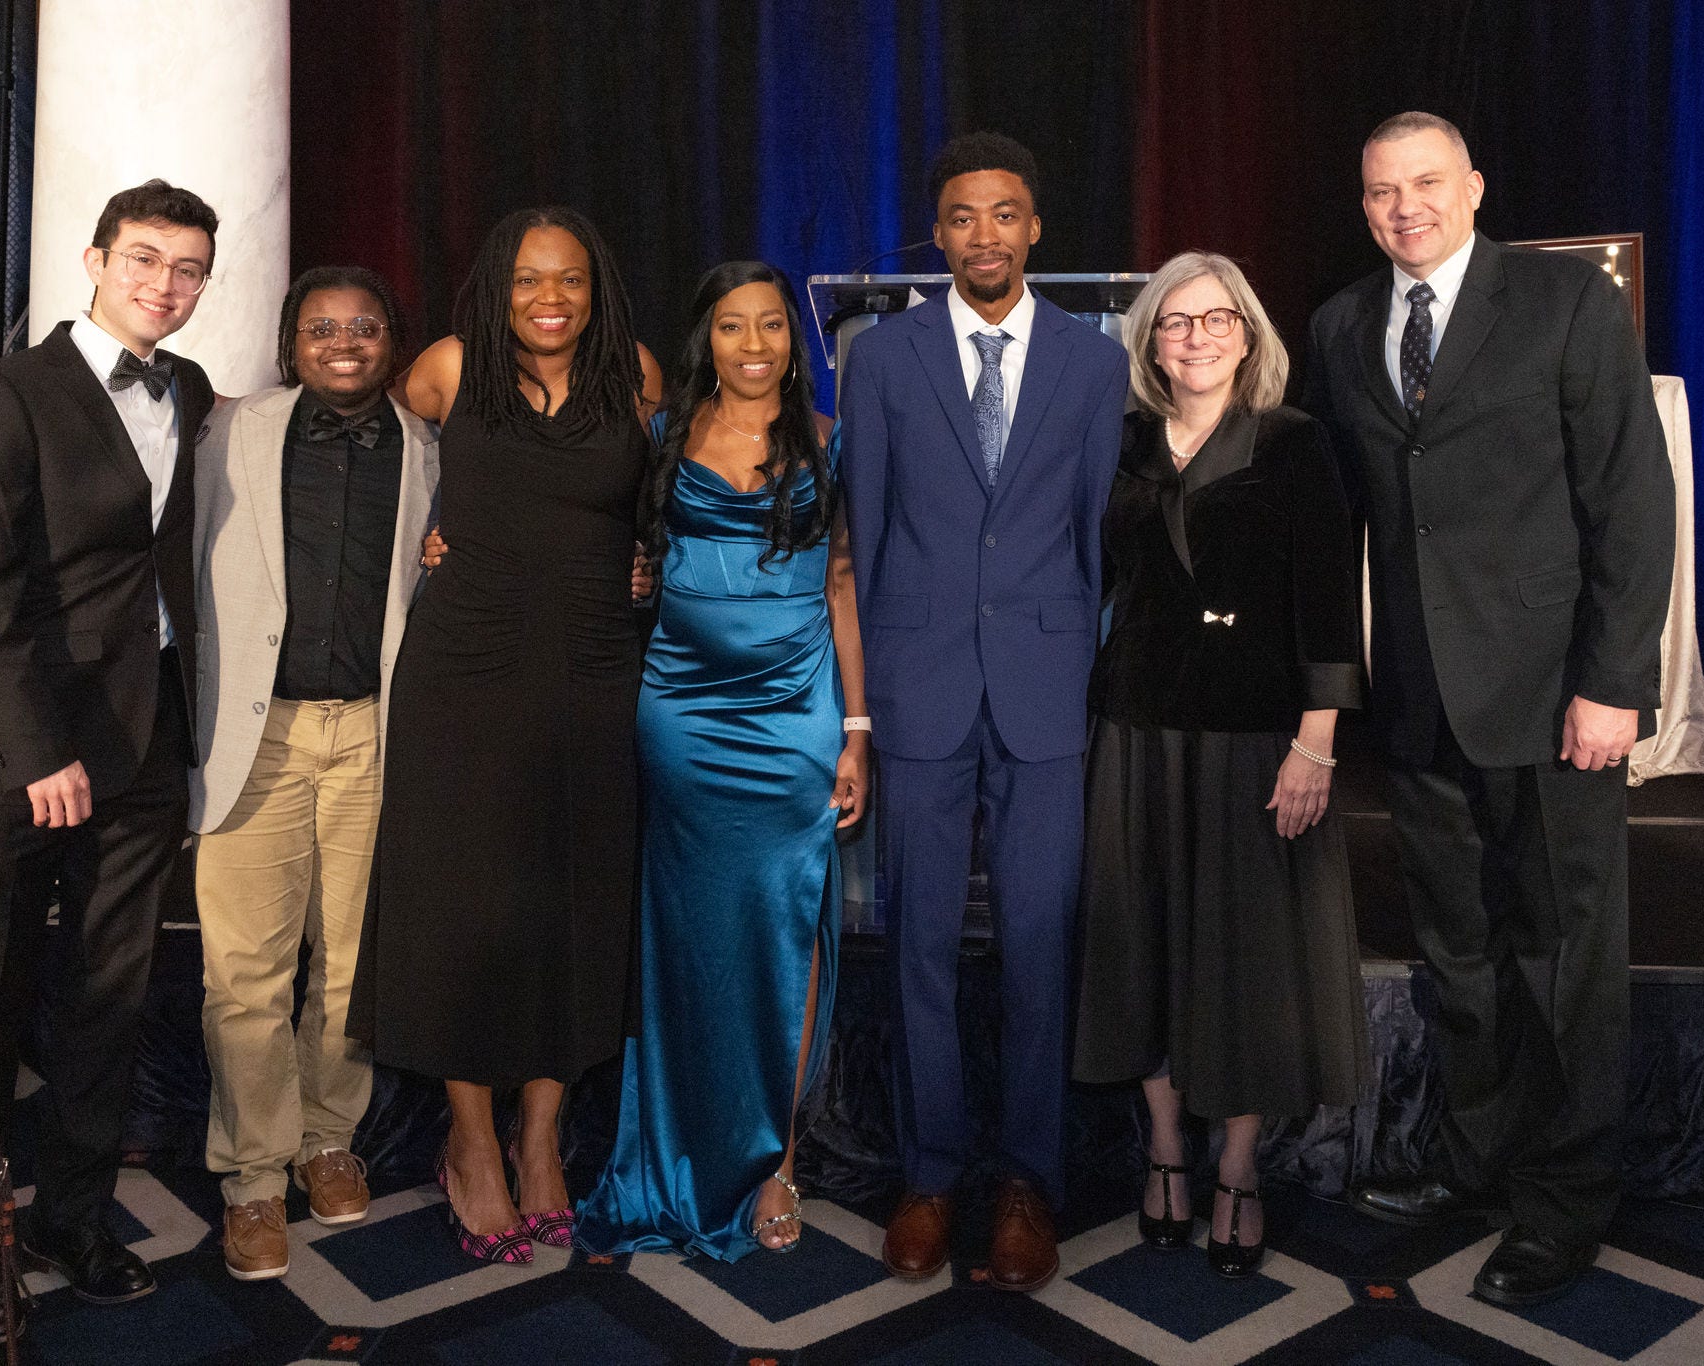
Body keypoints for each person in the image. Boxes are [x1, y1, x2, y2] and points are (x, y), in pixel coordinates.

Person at [1304, 112, 1673, 1306]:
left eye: (1423, 182)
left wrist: (1612, 685)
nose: (1401, 206)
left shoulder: (1562, 304)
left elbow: (1630, 501)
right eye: (1377, 190)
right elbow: (1340, 525)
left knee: (1563, 960)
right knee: (1456, 957)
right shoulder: (1340, 325)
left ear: (1472, 183)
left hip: (1553, 698)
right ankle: (1477, 1161)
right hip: (1414, 709)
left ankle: (1562, 1201)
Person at [0, 180, 219, 1346]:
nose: (165, 285)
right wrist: (39, 750)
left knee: (107, 995)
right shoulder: (3, 393)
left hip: (141, 745)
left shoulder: (188, 392)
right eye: (144, 260)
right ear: (93, 260)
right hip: (14, 748)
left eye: (188, 269)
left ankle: (73, 1216)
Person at [348, 207, 663, 1265]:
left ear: (596, 287)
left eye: (569, 278)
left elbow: (668, 499)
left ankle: (541, 1138)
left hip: (591, 667)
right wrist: (417, 543)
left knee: (573, 896)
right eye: (529, 278)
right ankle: (471, 1141)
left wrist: (649, 568)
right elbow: (373, 466)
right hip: (464, 666)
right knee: (462, 899)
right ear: (496, 282)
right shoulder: (443, 367)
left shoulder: (639, 376)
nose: (549, 297)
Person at [840, 131, 1126, 1292]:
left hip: (1046, 695)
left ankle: (1023, 1183)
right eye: (960, 217)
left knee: (1038, 945)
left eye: (1003, 214)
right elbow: (862, 529)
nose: (983, 236)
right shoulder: (882, 354)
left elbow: (1097, 538)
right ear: (937, 233)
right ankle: (927, 1174)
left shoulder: (1093, 362)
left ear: (1034, 228)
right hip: (918, 691)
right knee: (913, 942)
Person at [1072, 252, 1368, 1278]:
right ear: (1146, 341)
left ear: (1248, 334)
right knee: (1140, 943)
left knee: (1240, 963)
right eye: (1172, 324)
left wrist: (1313, 742)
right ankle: (1162, 1147)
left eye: (1214, 321)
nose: (1193, 339)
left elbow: (1328, 601)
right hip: (1136, 730)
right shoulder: (1117, 446)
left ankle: (1236, 1163)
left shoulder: (1292, 445)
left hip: (1256, 743)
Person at [575, 262, 868, 1260]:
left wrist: (857, 727)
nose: (754, 344)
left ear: (796, 340)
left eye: (772, 326)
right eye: (734, 326)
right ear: (708, 339)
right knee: (687, 936)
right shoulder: (659, 439)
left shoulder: (830, 444)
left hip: (793, 719)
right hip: (678, 715)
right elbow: (597, 547)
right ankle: (671, 1147)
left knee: (784, 929)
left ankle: (774, 1159)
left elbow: (840, 588)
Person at [188, 267, 438, 1280]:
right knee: (244, 971)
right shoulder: (224, 433)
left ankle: (327, 1138)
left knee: (346, 962)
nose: (344, 341)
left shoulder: (430, 451)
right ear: (292, 346)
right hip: (256, 735)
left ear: (392, 343)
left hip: (374, 736)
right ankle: (252, 1176)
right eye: (322, 327)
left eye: (364, 326)